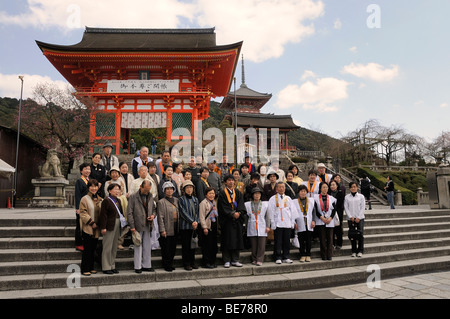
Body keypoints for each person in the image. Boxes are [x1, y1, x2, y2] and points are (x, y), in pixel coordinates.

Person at [127, 179, 157, 273]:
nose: (147, 192)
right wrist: (132, 226)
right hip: (137, 224)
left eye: (148, 190)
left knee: (147, 246)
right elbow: (129, 212)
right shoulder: (133, 197)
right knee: (138, 245)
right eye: (145, 190)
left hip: (148, 224)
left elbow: (154, 209)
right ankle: (138, 266)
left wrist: (153, 216)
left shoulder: (151, 196)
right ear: (141, 187)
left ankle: (147, 265)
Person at [217, 174, 246, 268]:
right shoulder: (222, 193)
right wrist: (232, 214)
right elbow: (222, 207)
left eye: (232, 180)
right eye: (229, 180)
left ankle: (235, 259)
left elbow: (241, 205)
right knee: (227, 240)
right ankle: (226, 260)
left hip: (237, 221)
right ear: (225, 182)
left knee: (237, 240)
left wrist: (239, 213)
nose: (231, 182)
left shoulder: (237, 192)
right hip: (227, 221)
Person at [268, 182, 297, 264]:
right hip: (278, 222)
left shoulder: (288, 198)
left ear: (285, 188)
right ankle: (277, 256)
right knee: (278, 240)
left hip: (287, 222)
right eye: (279, 187)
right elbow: (271, 211)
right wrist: (272, 222)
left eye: (282, 187)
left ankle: (286, 256)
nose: (281, 189)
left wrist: (292, 222)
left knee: (286, 241)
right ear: (276, 189)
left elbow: (293, 211)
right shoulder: (273, 199)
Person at [99, 183, 125, 274]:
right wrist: (103, 227)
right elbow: (103, 215)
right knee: (107, 246)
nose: (117, 191)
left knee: (114, 246)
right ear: (109, 191)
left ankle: (112, 265)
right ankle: (106, 267)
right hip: (109, 225)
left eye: (118, 189)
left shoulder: (118, 200)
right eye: (115, 189)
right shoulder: (106, 200)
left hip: (117, 223)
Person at [78, 179, 103, 276]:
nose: (94, 188)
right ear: (88, 187)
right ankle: (85, 268)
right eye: (92, 186)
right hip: (88, 227)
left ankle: (91, 267)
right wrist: (91, 222)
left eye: (95, 186)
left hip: (96, 228)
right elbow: (83, 213)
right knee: (87, 249)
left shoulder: (100, 199)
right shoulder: (84, 199)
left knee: (93, 248)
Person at [157, 182, 180, 272]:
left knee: (173, 247)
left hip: (175, 226)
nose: (169, 191)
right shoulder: (161, 202)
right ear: (164, 191)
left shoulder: (176, 200)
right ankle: (166, 264)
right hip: (167, 227)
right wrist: (162, 230)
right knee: (166, 247)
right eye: (167, 189)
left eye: (171, 189)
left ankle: (170, 263)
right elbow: (160, 217)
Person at [244, 187, 270, 266]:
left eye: (258, 194)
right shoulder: (247, 204)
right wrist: (245, 226)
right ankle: (254, 259)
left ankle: (260, 259)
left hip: (262, 225)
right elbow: (246, 216)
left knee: (261, 245)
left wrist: (268, 226)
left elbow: (267, 216)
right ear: (252, 195)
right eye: (255, 194)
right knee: (254, 245)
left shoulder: (265, 204)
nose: (257, 195)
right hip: (252, 226)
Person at [178, 180, 200, 271]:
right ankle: (186, 263)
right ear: (184, 189)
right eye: (187, 188)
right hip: (185, 226)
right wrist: (192, 221)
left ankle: (192, 262)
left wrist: (196, 221)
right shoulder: (181, 199)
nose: (189, 189)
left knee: (193, 245)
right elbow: (183, 212)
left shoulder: (195, 199)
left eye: (191, 187)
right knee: (186, 245)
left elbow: (198, 212)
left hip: (194, 226)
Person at [314, 182, 337, 261]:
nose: (325, 189)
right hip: (320, 221)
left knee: (330, 239)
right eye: (323, 187)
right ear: (320, 188)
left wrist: (330, 218)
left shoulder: (331, 198)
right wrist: (321, 217)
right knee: (322, 239)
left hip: (329, 221)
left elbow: (334, 210)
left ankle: (329, 254)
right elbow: (316, 210)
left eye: (326, 187)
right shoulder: (316, 198)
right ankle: (323, 255)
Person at [293, 184, 316, 262]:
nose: (303, 193)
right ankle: (302, 254)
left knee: (309, 240)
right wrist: (294, 222)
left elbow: (314, 212)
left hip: (309, 223)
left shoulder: (311, 200)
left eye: (304, 191)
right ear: (298, 192)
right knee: (301, 240)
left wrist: (314, 221)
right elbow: (292, 213)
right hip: (299, 223)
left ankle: (308, 254)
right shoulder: (295, 202)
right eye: (301, 191)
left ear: (306, 192)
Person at [344, 182, 366, 257]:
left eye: (355, 187)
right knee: (352, 235)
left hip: (360, 218)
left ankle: (360, 250)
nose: (353, 188)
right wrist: (350, 216)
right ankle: (353, 250)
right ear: (350, 188)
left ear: (357, 187)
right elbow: (346, 207)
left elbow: (363, 207)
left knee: (360, 234)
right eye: (352, 187)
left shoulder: (361, 196)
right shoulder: (347, 197)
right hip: (351, 219)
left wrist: (359, 217)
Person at [199, 187, 218, 268]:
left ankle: (212, 261)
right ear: (206, 194)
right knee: (207, 246)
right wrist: (204, 227)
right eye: (210, 193)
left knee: (213, 246)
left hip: (213, 226)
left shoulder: (214, 202)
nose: (211, 195)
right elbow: (201, 216)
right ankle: (206, 262)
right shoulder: (203, 203)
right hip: (207, 227)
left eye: (213, 193)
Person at [74, 163, 91, 251]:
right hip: (81, 207)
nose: (88, 171)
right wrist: (77, 208)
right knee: (79, 225)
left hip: (89, 206)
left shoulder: (90, 180)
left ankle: (85, 242)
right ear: (81, 171)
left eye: (89, 169)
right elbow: (77, 195)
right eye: (85, 169)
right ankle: (78, 243)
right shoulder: (79, 181)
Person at [329, 180, 345, 249]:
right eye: (331, 185)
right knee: (331, 228)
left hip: (338, 213)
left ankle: (339, 243)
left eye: (334, 185)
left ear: (337, 185)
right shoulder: (328, 193)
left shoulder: (340, 193)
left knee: (338, 228)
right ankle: (332, 243)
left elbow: (340, 203)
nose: (332, 186)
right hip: (330, 212)